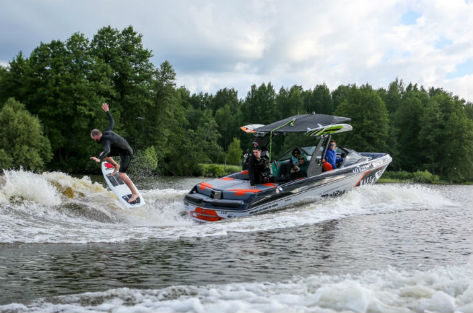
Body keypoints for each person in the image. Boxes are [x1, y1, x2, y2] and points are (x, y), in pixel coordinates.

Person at [90, 103, 139, 203]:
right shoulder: (107, 131)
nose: (94, 140)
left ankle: (134, 193)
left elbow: (107, 150)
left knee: (121, 175)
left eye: (93, 139)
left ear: (96, 136)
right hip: (122, 149)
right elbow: (112, 121)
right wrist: (107, 111)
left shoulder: (105, 140)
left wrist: (98, 159)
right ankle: (116, 165)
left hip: (126, 153)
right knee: (103, 154)